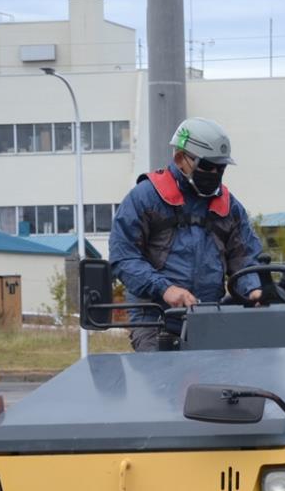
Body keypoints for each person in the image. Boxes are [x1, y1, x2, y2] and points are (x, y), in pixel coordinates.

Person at [108, 117, 263, 352]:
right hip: (155, 319)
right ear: (181, 158)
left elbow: (244, 258)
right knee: (160, 381)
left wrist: (254, 289)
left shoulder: (229, 206)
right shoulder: (144, 198)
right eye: (207, 166)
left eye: (220, 168)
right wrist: (165, 289)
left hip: (208, 318)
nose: (214, 173)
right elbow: (124, 257)